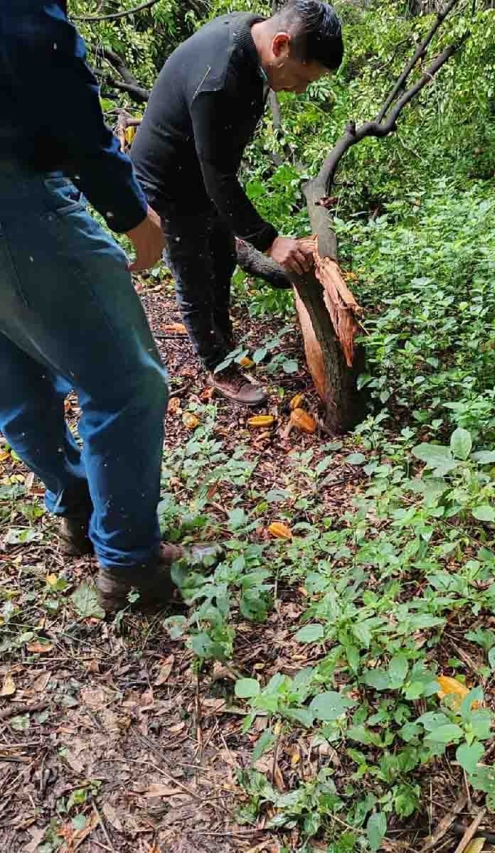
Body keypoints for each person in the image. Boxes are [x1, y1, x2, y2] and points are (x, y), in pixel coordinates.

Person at [0, 0, 182, 611]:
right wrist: (132, 212)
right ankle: (128, 564)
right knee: (128, 384)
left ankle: (79, 509)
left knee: (17, 378)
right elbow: (58, 84)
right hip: (18, 200)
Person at [131, 0, 344, 407]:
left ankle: (223, 338)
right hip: (168, 181)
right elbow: (218, 176)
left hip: (202, 173)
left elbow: (218, 167)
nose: (299, 89)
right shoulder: (221, 75)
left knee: (221, 257)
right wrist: (270, 241)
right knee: (194, 271)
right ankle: (218, 366)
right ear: (281, 45)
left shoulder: (251, 35)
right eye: (301, 78)